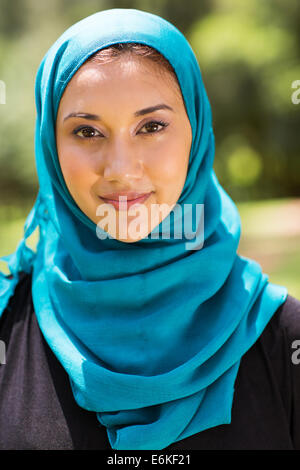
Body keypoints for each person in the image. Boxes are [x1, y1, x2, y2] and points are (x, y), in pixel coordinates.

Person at [0, 8, 299, 451]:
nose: (121, 169)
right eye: (86, 131)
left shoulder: (285, 341)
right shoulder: (7, 324)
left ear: (195, 133)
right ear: (50, 144)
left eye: (152, 126)